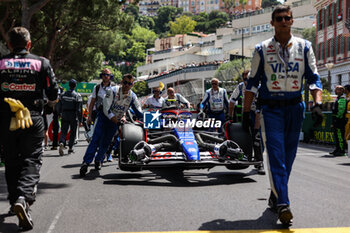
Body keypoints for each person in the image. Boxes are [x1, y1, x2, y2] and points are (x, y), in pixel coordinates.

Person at [242, 5, 323, 226]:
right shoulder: (261, 49)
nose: (284, 21)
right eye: (279, 18)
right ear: (272, 23)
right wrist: (245, 112)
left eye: (287, 18)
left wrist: (317, 104)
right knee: (276, 156)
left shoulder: (305, 47)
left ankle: (275, 194)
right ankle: (283, 205)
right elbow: (252, 84)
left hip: (295, 108)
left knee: (289, 158)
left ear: (292, 20)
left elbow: (314, 78)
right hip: (271, 110)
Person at [0, 27, 58, 230]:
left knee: (11, 160)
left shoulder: (1, 63)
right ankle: (23, 197)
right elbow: (53, 92)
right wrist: (50, 101)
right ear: (29, 44)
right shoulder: (41, 62)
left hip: (6, 119)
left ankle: (15, 199)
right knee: (32, 159)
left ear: (9, 44)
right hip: (32, 117)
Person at [80, 74, 143, 176]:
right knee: (95, 140)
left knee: (106, 143)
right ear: (122, 82)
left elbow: (139, 112)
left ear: (132, 85)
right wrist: (116, 121)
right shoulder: (112, 91)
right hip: (103, 118)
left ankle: (98, 160)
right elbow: (106, 109)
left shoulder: (133, 96)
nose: (127, 85)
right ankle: (86, 163)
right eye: (125, 82)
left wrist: (151, 119)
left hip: (115, 122)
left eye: (130, 83)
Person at [57, 79, 83, 155]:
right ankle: (70, 148)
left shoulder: (63, 95)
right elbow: (79, 109)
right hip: (73, 115)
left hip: (64, 114)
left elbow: (59, 105)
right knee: (73, 132)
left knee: (64, 130)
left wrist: (59, 113)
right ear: (75, 86)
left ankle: (62, 142)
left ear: (69, 85)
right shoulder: (77, 95)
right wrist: (80, 120)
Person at [330, 85, 347, 156]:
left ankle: (341, 150)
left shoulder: (342, 98)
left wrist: (337, 118)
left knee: (340, 135)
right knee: (336, 135)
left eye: (337, 89)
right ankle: (337, 149)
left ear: (341, 91)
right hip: (336, 119)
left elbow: (341, 110)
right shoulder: (338, 98)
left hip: (340, 120)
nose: (335, 90)